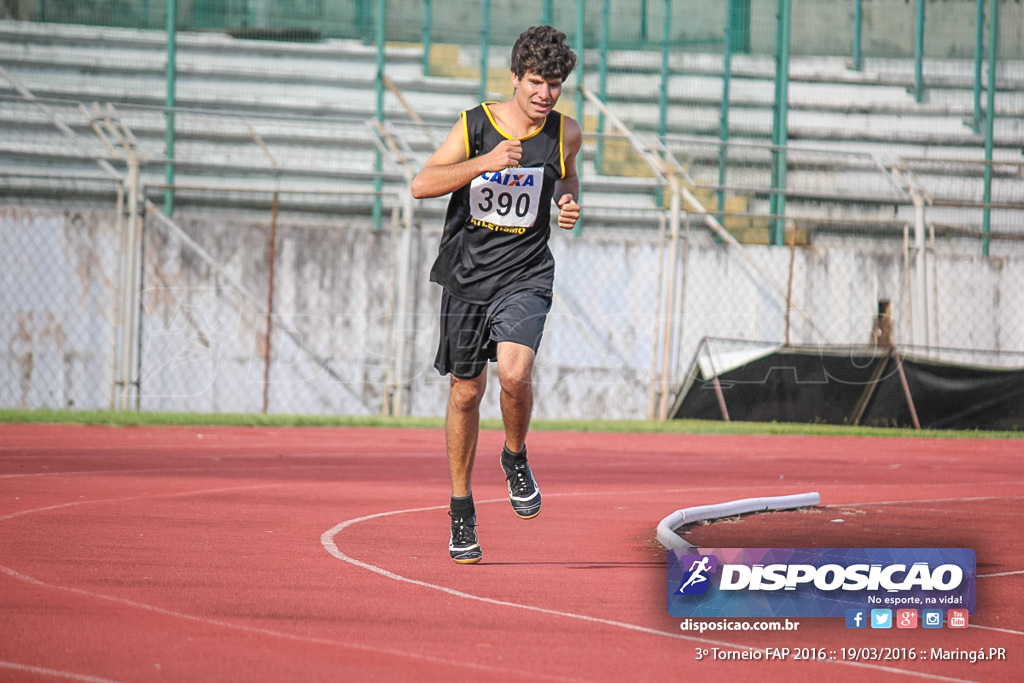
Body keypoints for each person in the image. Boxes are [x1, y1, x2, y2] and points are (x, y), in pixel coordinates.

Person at [411, 25, 582, 564]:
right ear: (514, 78)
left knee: (513, 372)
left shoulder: (567, 133)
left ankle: (514, 456)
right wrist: (483, 163)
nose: (545, 94)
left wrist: (570, 203)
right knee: (466, 391)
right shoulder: (475, 126)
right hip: (467, 276)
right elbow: (421, 183)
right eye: (535, 81)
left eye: (554, 83)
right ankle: (462, 509)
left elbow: (568, 177)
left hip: (525, 273)